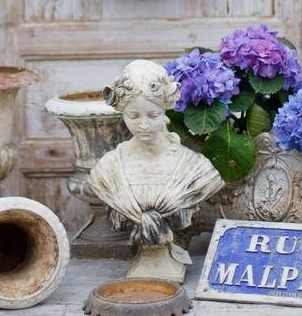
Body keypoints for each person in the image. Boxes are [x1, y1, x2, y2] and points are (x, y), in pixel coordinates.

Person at [89, 59, 224, 281]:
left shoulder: (195, 169)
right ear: (121, 113)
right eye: (133, 116)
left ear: (165, 111)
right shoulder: (108, 170)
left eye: (153, 115)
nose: (143, 124)